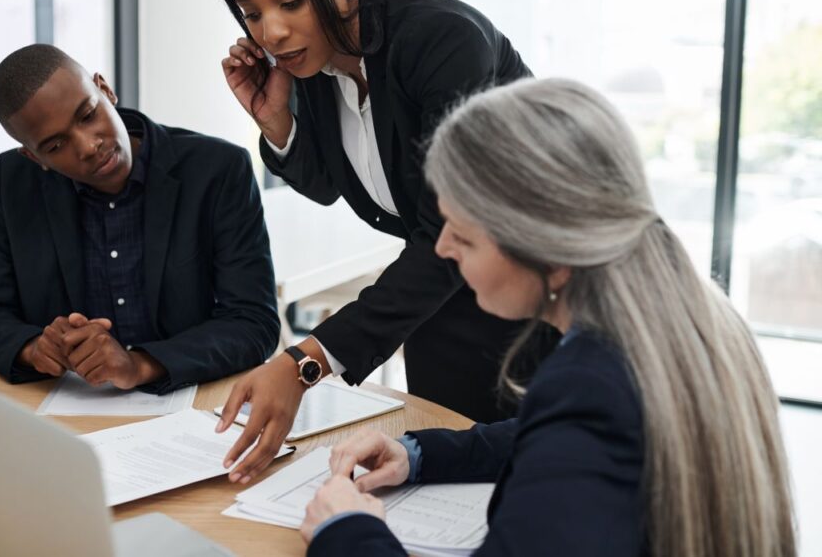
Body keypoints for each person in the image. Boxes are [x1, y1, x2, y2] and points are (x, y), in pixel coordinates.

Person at [299, 78, 796, 557]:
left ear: (550, 249)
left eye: (463, 235)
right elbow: (545, 434)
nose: (443, 247)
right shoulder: (685, 326)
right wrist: (418, 453)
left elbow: (577, 426)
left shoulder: (589, 385)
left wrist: (348, 531)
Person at [213, 0, 548, 484]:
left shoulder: (443, 41)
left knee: (539, 482)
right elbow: (331, 183)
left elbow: (444, 229)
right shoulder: (315, 59)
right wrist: (277, 122)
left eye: (289, 1)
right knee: (442, 485)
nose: (272, 31)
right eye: (252, 11)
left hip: (543, 294)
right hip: (443, 298)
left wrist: (305, 362)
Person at [0, 44, 279, 393]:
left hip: (189, 404)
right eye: (54, 146)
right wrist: (34, 348)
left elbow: (253, 323)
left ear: (105, 90)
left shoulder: (218, 169)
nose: (87, 146)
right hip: (69, 415)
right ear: (35, 158)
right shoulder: (14, 180)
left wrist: (139, 364)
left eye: (86, 115)